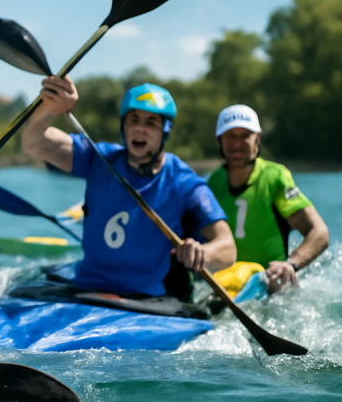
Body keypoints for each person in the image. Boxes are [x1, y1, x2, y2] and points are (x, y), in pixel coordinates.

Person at [21, 78, 236, 300]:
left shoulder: (185, 183)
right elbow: (33, 142)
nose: (140, 129)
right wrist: (49, 106)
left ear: (165, 132)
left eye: (151, 123)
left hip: (146, 299)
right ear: (123, 126)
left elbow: (228, 248)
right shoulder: (98, 159)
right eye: (134, 120)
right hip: (87, 288)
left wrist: (202, 252)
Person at [207, 104, 329, 293]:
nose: (237, 143)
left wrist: (290, 265)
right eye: (231, 135)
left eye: (245, 135)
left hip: (269, 286)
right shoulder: (214, 181)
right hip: (225, 285)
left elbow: (319, 232)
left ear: (258, 138)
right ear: (219, 140)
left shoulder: (275, 178)